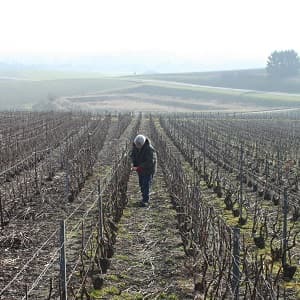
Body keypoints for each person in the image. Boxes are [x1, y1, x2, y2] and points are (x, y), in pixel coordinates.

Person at [130, 134, 157, 207]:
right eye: (136, 145)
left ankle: (145, 201)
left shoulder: (149, 149)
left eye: (139, 145)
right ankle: (144, 197)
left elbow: (150, 162)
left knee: (146, 184)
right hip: (140, 169)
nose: (137, 147)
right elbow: (132, 155)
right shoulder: (135, 146)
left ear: (143, 144)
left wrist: (139, 167)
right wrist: (133, 164)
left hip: (148, 170)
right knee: (141, 184)